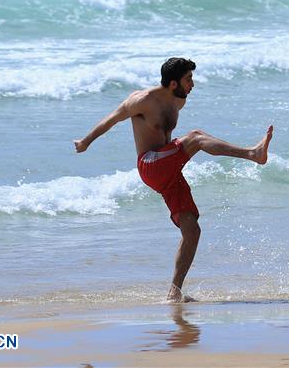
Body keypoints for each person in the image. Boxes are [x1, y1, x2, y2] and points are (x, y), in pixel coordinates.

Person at [73, 58, 274, 302]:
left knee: (192, 230)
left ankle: (174, 292)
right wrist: (85, 141)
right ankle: (252, 154)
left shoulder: (178, 101)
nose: (193, 85)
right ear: (172, 83)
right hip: (150, 165)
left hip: (168, 171)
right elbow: (112, 119)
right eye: (188, 79)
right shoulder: (142, 100)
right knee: (196, 138)